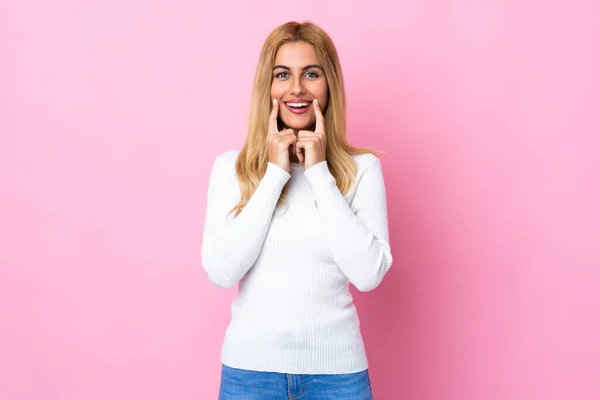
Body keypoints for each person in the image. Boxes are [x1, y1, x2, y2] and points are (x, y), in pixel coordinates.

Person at [201, 21, 393, 400]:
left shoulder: (362, 170)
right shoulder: (231, 168)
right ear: (267, 87)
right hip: (250, 376)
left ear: (329, 85)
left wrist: (320, 172)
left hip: (337, 378)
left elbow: (368, 274)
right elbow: (222, 272)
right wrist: (274, 174)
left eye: (311, 73)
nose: (297, 88)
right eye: (282, 74)